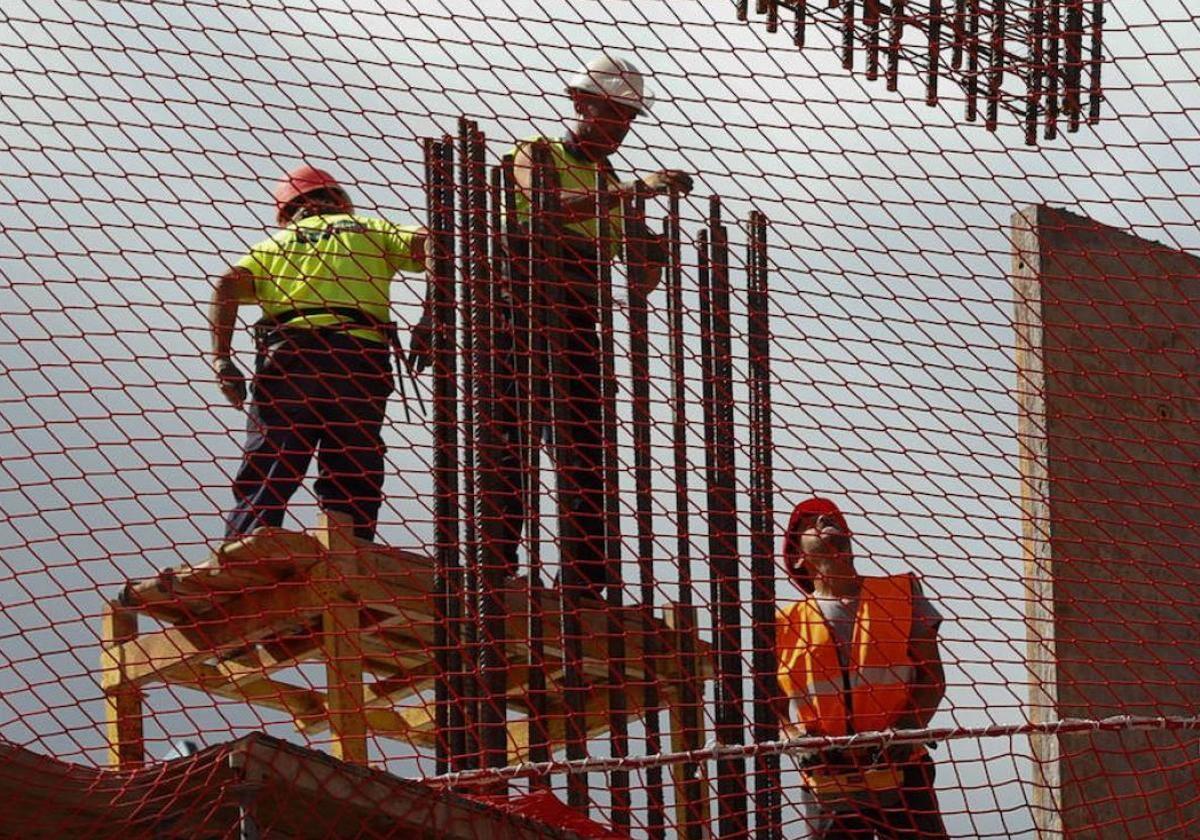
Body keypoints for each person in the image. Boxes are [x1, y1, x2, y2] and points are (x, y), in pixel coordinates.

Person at [412, 53, 692, 596]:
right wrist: (635, 193)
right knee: (508, 443)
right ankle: (495, 569)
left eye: (629, 118)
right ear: (581, 104)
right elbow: (541, 210)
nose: (621, 128)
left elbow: (640, 281)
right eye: (614, 114)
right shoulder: (535, 154)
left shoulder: (611, 179)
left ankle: (583, 580)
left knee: (585, 451)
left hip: (578, 323)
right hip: (519, 312)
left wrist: (653, 246)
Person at [210, 165, 427, 542]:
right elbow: (433, 242)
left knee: (273, 454)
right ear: (341, 200)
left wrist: (223, 359)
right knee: (353, 457)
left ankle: (248, 541)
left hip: (291, 356)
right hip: (358, 355)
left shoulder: (272, 247)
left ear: (285, 213)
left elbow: (227, 285)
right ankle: (351, 541)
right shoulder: (372, 230)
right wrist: (432, 316)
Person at [776, 497, 950, 839]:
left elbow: (932, 676)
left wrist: (909, 725)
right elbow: (771, 701)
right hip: (829, 777)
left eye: (832, 516)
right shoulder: (783, 624)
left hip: (900, 768)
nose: (826, 517)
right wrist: (794, 738)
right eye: (811, 522)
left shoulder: (899, 594)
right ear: (798, 557)